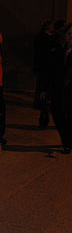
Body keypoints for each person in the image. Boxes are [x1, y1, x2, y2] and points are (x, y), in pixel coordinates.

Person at [33, 20, 61, 127]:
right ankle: (44, 111)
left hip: (44, 69)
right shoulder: (47, 39)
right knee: (44, 91)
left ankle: (43, 110)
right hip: (47, 69)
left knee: (42, 90)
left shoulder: (40, 37)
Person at [52, 23, 72, 154]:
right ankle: (66, 140)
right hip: (59, 88)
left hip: (70, 89)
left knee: (69, 115)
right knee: (57, 114)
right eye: (68, 34)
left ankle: (67, 143)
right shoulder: (59, 49)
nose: (70, 36)